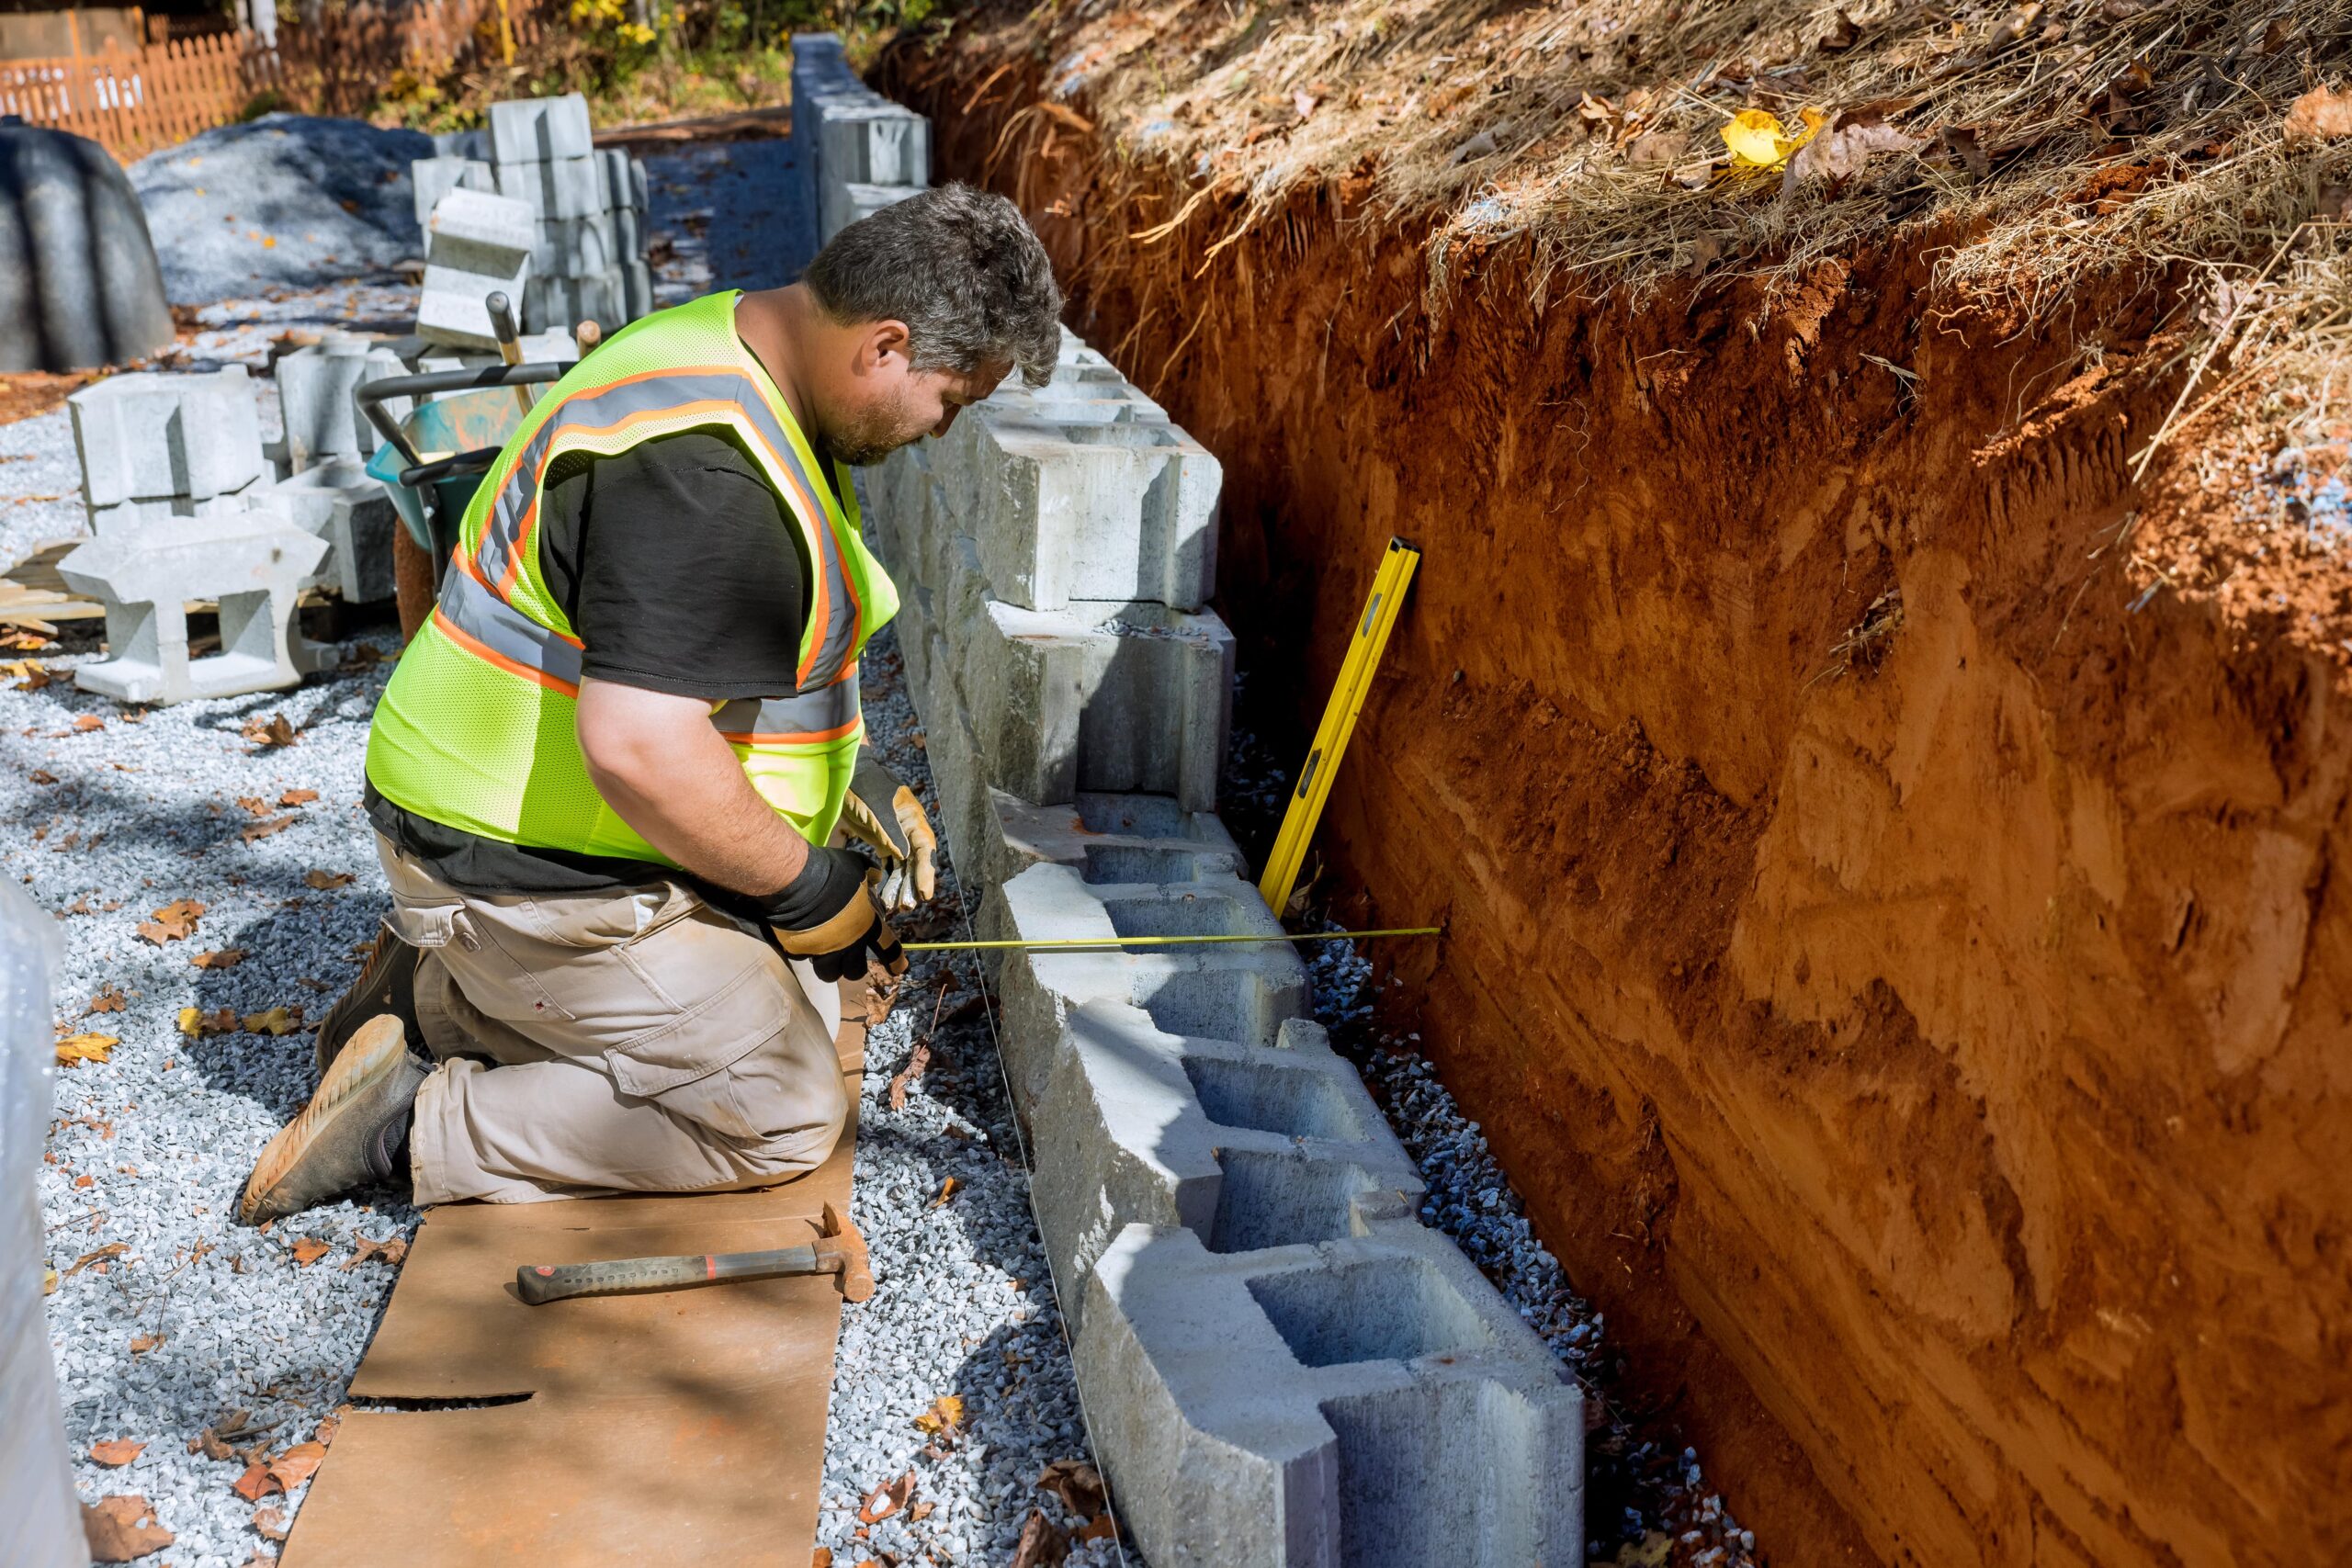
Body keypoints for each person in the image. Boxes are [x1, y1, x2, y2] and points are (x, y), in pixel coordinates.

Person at [238, 185, 1063, 1224]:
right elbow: (638, 746)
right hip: (517, 863)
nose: (942, 430)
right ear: (886, 345)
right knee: (782, 1104)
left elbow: (687, 653)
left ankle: (448, 991)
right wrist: (807, 886)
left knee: (799, 997)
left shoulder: (725, 346)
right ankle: (412, 1113)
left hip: (501, 818)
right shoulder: (709, 478)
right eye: (952, 400)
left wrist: (843, 778)